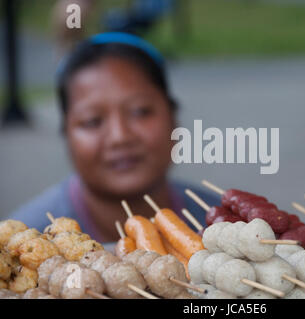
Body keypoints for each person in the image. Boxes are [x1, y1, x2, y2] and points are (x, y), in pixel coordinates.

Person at [9, 32, 220, 242]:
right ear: (66, 133)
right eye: (92, 121)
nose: (120, 137)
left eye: (140, 111)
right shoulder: (20, 245)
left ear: (173, 117)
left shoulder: (222, 225)